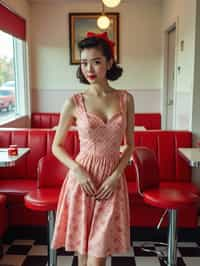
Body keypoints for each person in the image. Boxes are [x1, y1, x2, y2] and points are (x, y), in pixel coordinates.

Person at [51, 31, 135, 266]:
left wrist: (116, 176)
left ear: (109, 63)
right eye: (84, 62)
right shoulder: (73, 102)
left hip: (111, 183)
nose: (89, 69)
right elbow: (56, 146)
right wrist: (76, 170)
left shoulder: (125, 99)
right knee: (85, 255)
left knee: (97, 257)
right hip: (82, 180)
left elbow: (129, 145)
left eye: (96, 62)